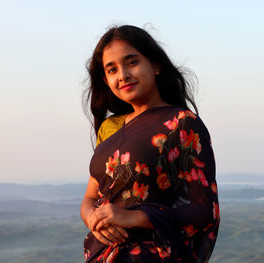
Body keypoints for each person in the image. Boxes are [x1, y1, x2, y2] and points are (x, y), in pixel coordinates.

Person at [80, 25, 219, 263]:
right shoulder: (110, 128)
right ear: (106, 80)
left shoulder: (182, 124)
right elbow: (90, 199)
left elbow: (205, 211)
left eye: (131, 62)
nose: (122, 75)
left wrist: (135, 217)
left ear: (155, 65)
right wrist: (94, 220)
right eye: (112, 69)